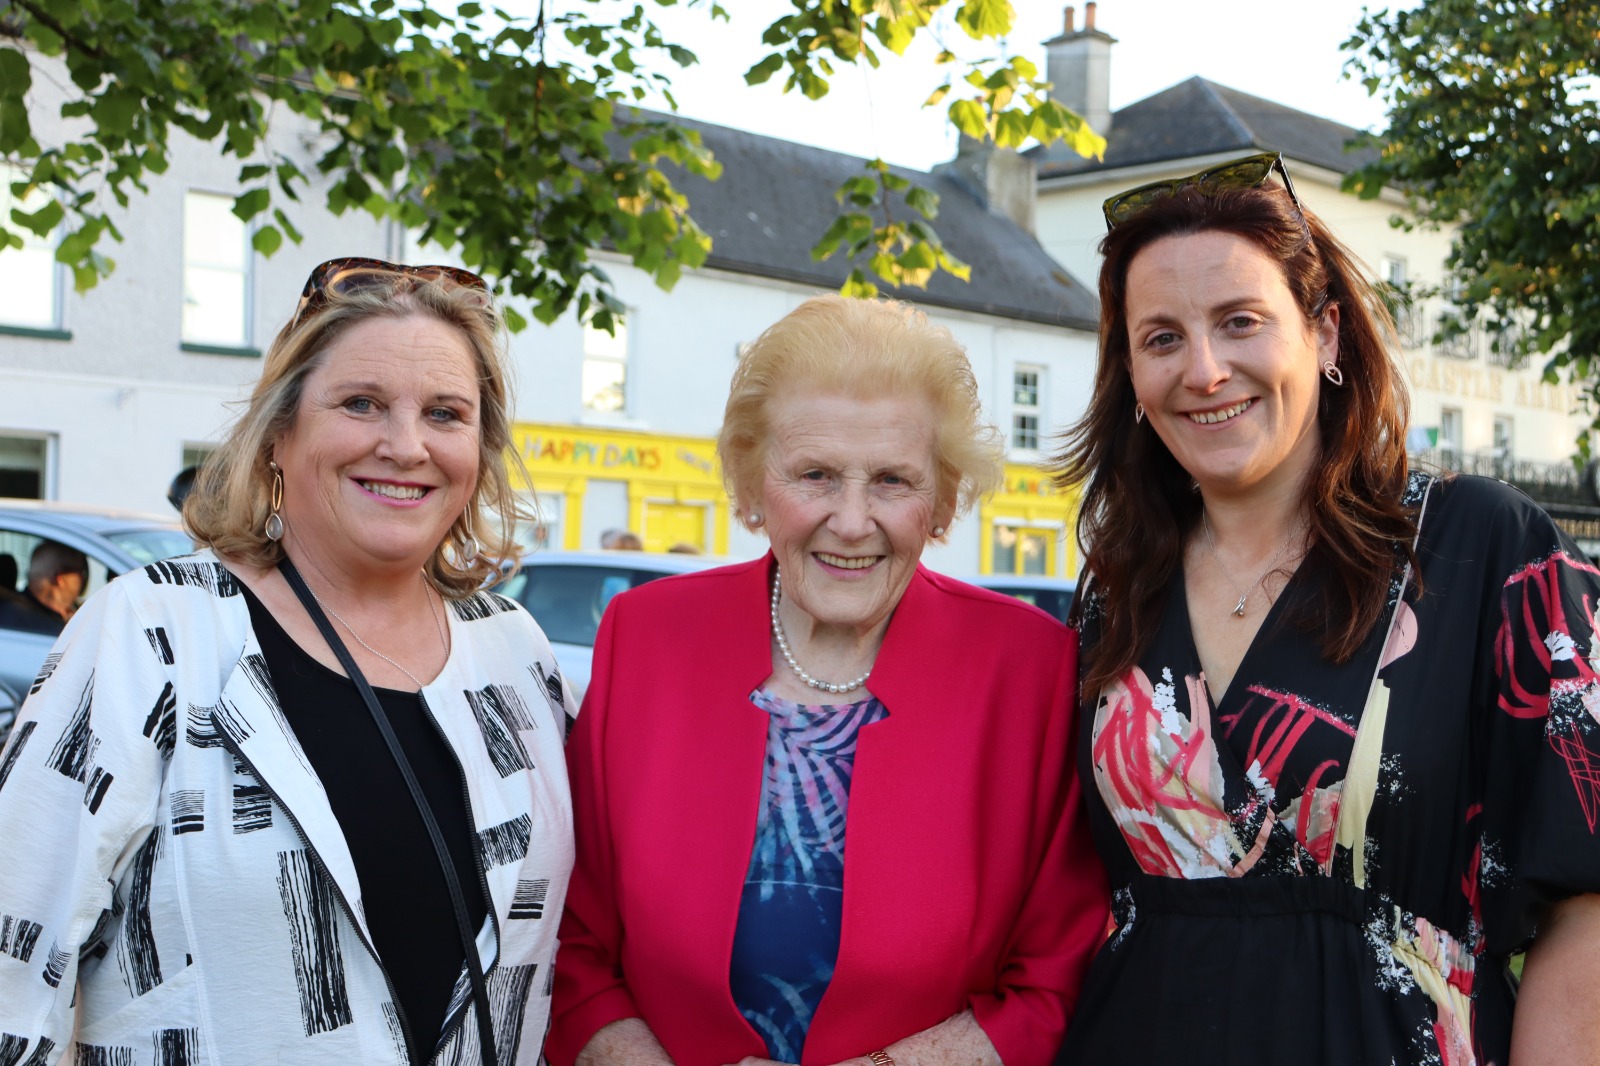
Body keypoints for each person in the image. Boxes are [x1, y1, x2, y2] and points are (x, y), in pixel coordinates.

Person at [1052, 153, 1600, 1065]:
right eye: (1161, 338)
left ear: (1327, 336)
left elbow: (1586, 905)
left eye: (1240, 322)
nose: (1205, 369)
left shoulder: (1481, 549)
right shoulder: (1117, 589)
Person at [0, 257, 575, 1065]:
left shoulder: (514, 653)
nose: (405, 445)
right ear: (279, 433)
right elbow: (11, 959)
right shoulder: (156, 634)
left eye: (445, 413)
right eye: (361, 404)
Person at [548, 294, 1108, 1066]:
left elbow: (1056, 978)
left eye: (891, 481)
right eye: (814, 475)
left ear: (941, 501)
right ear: (753, 484)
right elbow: (570, 940)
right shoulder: (645, 638)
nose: (850, 521)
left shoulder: (1031, 671)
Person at [0, 540, 88, 634]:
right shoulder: (21, 622)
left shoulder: (20, 614)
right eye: (81, 572)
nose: (83, 579)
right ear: (60, 578)